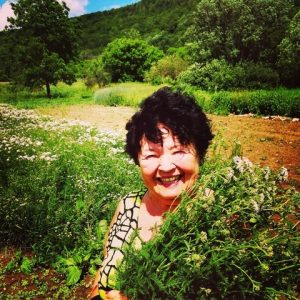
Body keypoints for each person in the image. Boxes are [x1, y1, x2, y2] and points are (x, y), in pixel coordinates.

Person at [89, 87, 214, 300]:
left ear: (199, 155)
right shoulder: (128, 206)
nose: (165, 166)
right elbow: (104, 271)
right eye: (151, 155)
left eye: (179, 151)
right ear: (137, 160)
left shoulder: (219, 211)